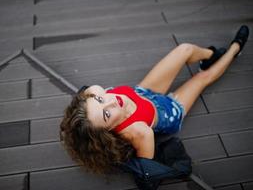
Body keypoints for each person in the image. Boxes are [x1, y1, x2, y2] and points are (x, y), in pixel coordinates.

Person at [59, 25, 249, 175]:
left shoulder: (94, 94)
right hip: (168, 111)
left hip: (144, 93)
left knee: (185, 49)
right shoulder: (138, 132)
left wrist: (92, 105)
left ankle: (211, 55)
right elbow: (147, 167)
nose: (112, 101)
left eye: (100, 99)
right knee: (201, 78)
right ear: (107, 129)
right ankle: (234, 49)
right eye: (107, 114)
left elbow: (92, 92)